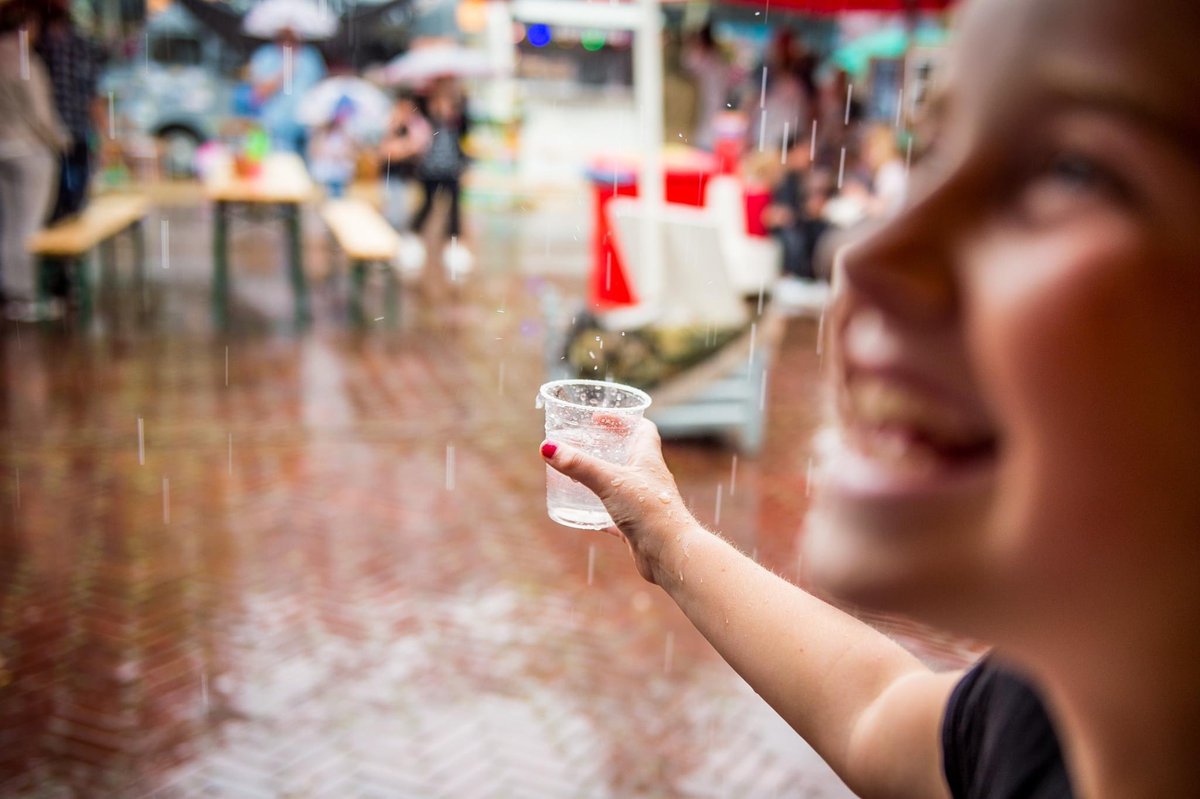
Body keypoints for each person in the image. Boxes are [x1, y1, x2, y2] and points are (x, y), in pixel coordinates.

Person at [540, 0, 1200, 796]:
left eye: (1071, 171)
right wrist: (665, 534)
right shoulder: (1057, 694)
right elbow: (879, 712)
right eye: (934, 149)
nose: (866, 256)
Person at [0, 1, 68, 321]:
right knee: (30, 225)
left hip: (2, 148)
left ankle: (14, 294)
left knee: (10, 225)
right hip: (30, 151)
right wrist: (62, 142)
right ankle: (30, 295)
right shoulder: (27, 61)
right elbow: (42, 116)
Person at [35, 0, 105, 302]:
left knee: (54, 210)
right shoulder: (75, 46)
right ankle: (60, 278)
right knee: (66, 208)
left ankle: (55, 278)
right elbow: (94, 97)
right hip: (65, 139)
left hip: (50, 140)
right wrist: (102, 136)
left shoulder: (40, 47)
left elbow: (93, 96)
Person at [411, 79, 471, 277]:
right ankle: (414, 238)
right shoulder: (426, 110)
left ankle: (453, 244)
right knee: (428, 204)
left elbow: (465, 133)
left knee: (453, 208)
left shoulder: (460, 113)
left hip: (451, 167)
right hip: (430, 168)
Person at [249, 27, 326, 155]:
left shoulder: (311, 57)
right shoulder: (265, 56)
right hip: (273, 129)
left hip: (305, 129)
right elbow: (258, 94)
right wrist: (284, 73)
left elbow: (320, 92)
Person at [379, 90, 431, 233]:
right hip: (392, 176)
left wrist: (402, 148)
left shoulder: (417, 125)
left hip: (410, 177)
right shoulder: (390, 123)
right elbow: (386, 151)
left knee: (406, 214)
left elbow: (419, 147)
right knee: (392, 214)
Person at [681, 22, 737, 151]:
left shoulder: (706, 58)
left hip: (707, 107)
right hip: (710, 106)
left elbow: (686, 63)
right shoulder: (717, 59)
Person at [307, 97, 356, 198]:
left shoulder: (348, 134)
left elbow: (351, 154)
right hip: (323, 174)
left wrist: (342, 153)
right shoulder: (322, 132)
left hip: (340, 175)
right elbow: (314, 151)